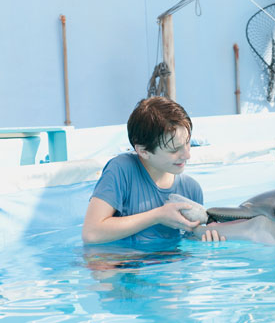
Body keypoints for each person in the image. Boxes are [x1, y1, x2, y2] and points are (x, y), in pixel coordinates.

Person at [82, 96, 224, 244]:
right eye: (174, 149)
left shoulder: (191, 189)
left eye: (187, 143)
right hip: (124, 263)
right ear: (143, 151)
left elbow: (188, 244)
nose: (187, 155)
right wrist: (157, 216)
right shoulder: (121, 170)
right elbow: (91, 233)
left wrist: (206, 240)